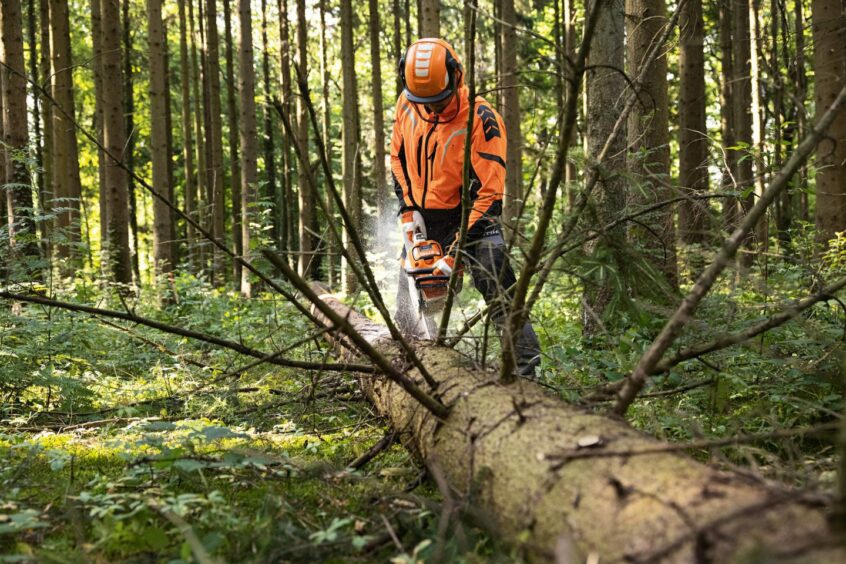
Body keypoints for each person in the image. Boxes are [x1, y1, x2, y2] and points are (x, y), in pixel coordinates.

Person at [390, 38, 541, 378]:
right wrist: (407, 209)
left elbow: (490, 195)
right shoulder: (406, 105)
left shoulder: (480, 119)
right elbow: (397, 159)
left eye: (439, 101)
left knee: (497, 281)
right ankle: (411, 364)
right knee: (408, 292)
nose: (433, 110)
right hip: (423, 213)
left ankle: (525, 371)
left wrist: (455, 254)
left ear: (456, 78)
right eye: (424, 102)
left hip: (470, 213)